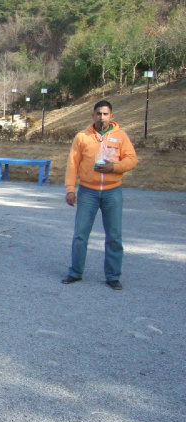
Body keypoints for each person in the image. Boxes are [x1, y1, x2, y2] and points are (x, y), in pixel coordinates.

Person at [62, 100, 138, 290]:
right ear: (93, 115)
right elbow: (72, 163)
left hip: (113, 191)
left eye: (105, 114)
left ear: (111, 116)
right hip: (88, 191)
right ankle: (75, 272)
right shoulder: (82, 137)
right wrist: (70, 189)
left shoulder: (121, 136)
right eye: (98, 113)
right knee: (80, 235)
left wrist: (115, 167)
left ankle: (113, 276)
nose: (101, 117)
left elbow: (132, 159)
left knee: (114, 236)